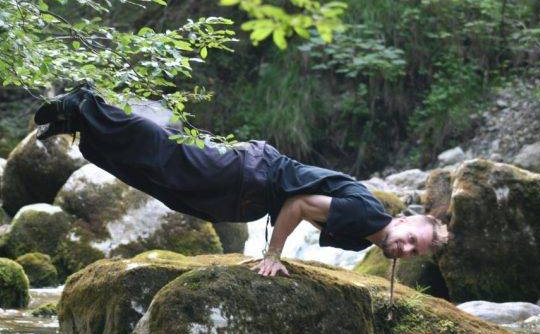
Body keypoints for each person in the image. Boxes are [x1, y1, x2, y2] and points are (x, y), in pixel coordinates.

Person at [34, 82, 449, 277]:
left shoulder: (368, 234)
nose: (407, 248)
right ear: (406, 219)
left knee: (161, 184)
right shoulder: (369, 214)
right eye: (412, 238)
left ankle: (80, 127)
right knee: (168, 156)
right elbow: (300, 204)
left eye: (415, 252)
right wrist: (273, 254)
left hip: (247, 196)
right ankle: (86, 103)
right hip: (251, 174)